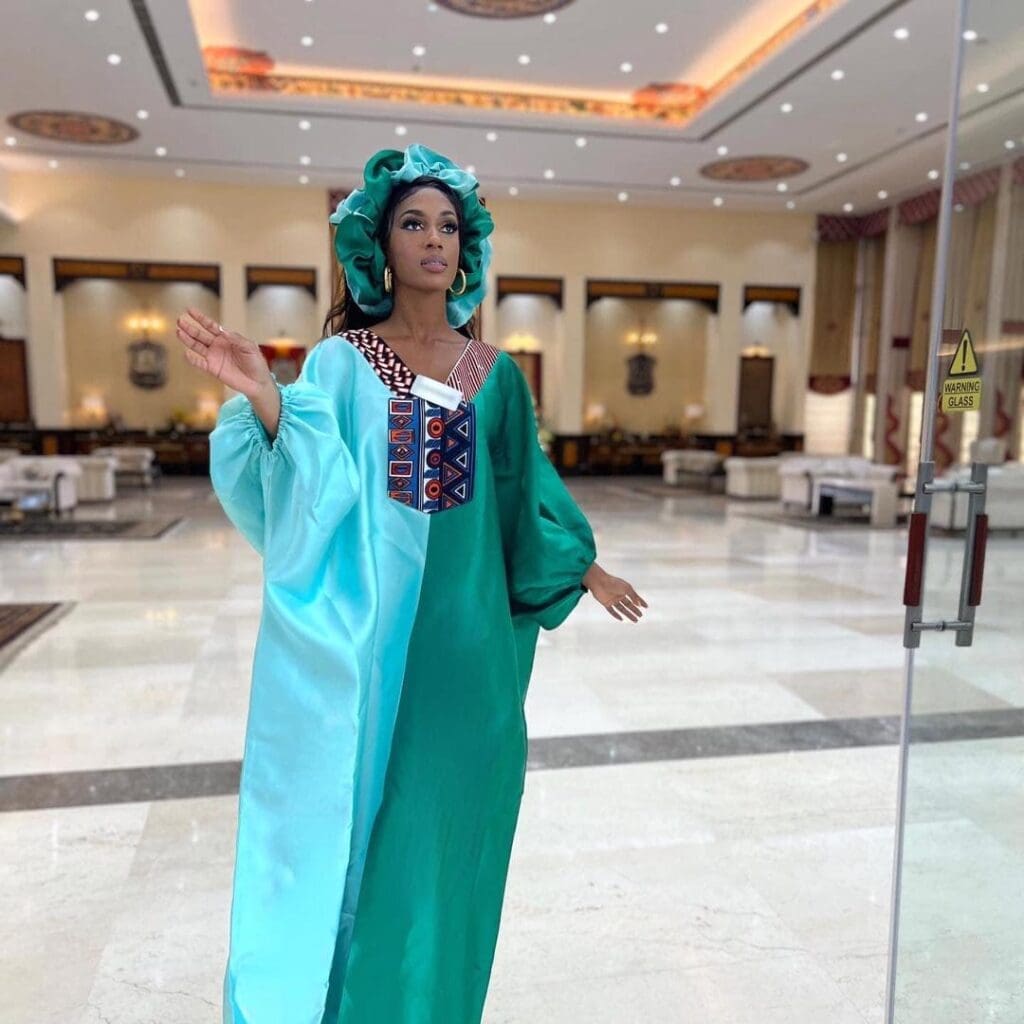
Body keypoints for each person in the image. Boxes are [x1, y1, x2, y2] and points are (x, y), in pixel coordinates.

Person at [176, 143, 647, 1024]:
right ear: (379, 246)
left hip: (470, 657)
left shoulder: (495, 376)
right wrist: (265, 394)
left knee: (449, 841)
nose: (434, 239)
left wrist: (584, 566)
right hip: (373, 651)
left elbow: (523, 493)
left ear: (467, 248)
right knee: (362, 831)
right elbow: (312, 479)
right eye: (413, 223)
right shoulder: (342, 364)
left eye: (448, 226)